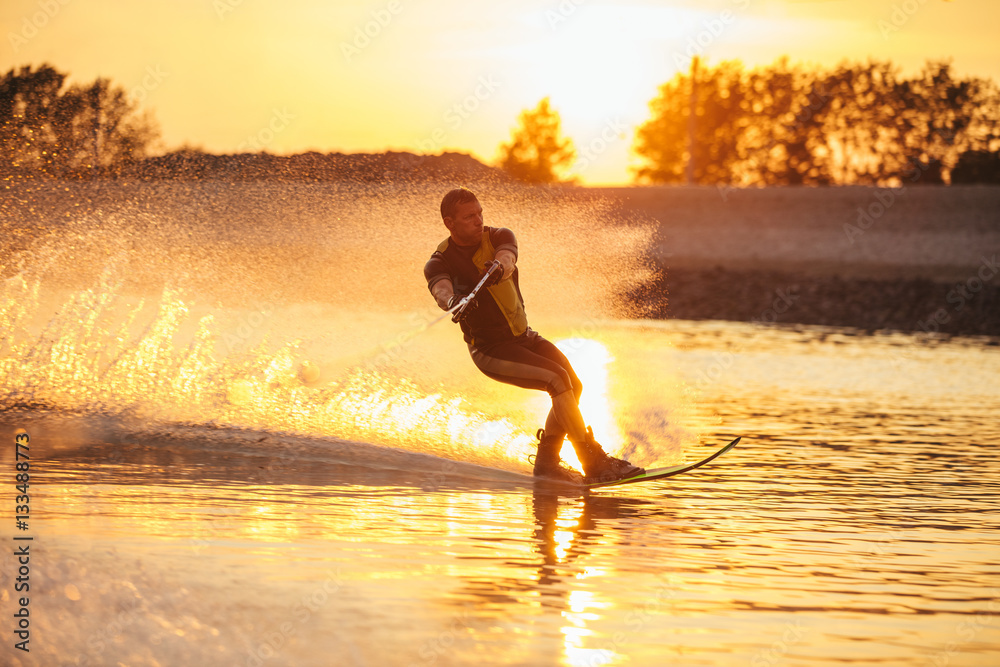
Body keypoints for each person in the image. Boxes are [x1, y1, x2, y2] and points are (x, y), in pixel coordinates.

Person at [423, 187, 644, 484]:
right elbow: (441, 290)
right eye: (469, 217)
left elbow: (507, 258)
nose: (478, 220)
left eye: (479, 213)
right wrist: (453, 302)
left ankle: (547, 464)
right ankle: (593, 461)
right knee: (556, 379)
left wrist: (500, 267)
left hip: (524, 337)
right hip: (491, 351)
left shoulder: (500, 235)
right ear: (450, 223)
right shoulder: (439, 262)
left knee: (573, 386)